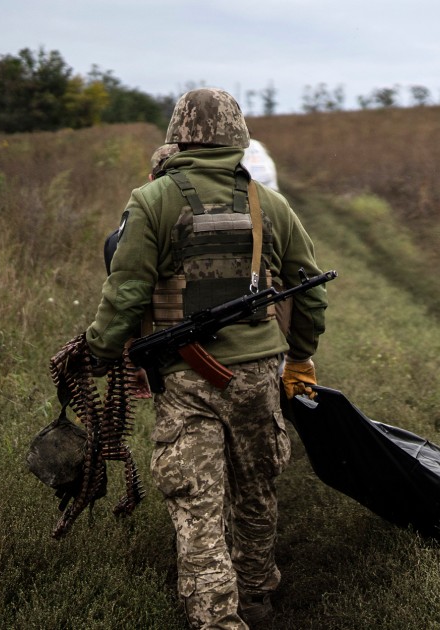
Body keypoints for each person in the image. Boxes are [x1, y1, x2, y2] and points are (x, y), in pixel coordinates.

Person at [83, 87, 327, 629]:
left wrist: (98, 353)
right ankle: (257, 597)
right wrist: (301, 358)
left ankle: (216, 619)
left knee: (196, 504)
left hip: (186, 379)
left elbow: (125, 295)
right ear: (237, 136)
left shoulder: (152, 201)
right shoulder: (271, 203)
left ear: (178, 136)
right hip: (260, 375)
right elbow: (310, 292)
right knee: (256, 491)